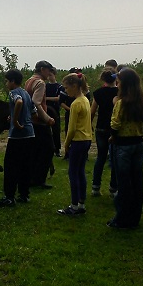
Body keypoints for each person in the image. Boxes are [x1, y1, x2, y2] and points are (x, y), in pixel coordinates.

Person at [107, 68, 143, 229]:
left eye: (119, 81)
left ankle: (122, 219)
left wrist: (113, 136)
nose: (117, 83)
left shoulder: (121, 103)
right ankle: (135, 218)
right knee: (137, 182)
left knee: (124, 184)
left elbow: (115, 123)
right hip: (138, 144)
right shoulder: (142, 103)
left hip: (122, 145)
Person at [0, 69, 36, 207]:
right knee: (25, 165)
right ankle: (24, 194)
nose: (6, 84)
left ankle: (9, 197)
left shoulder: (14, 92)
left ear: (12, 81)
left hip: (18, 136)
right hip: (30, 134)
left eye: (6, 81)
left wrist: (16, 120)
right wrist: (15, 115)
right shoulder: (26, 93)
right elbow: (33, 112)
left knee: (11, 166)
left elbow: (19, 102)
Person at [57, 72, 92, 216]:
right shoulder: (85, 100)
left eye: (66, 87)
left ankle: (74, 205)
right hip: (87, 139)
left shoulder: (76, 103)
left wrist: (66, 144)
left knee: (73, 173)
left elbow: (71, 129)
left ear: (75, 86)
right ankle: (81, 203)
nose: (65, 91)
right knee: (80, 171)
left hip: (77, 141)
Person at [25, 61, 55, 188]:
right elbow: (36, 103)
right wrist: (47, 118)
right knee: (48, 149)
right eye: (48, 70)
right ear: (42, 69)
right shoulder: (40, 83)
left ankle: (31, 178)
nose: (50, 73)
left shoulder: (29, 81)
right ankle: (39, 179)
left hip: (30, 121)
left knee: (35, 151)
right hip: (39, 122)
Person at [90, 68, 118, 198]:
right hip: (114, 128)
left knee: (100, 157)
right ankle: (113, 188)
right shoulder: (119, 92)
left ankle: (95, 186)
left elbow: (92, 111)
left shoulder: (98, 93)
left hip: (101, 127)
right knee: (115, 159)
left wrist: (89, 124)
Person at [45, 68, 62, 157]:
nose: (49, 77)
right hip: (46, 109)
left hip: (55, 109)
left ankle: (57, 149)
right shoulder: (45, 86)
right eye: (48, 75)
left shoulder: (59, 86)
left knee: (56, 129)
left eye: (51, 75)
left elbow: (58, 98)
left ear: (55, 75)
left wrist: (46, 98)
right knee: (45, 129)